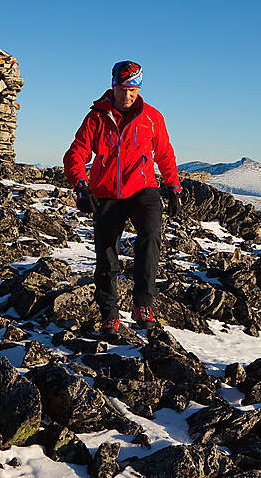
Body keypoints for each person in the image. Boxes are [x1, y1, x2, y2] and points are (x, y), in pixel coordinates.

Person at [63, 60, 182, 336]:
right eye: (121, 88)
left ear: (138, 89)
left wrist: (174, 187)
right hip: (106, 191)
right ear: (112, 86)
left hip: (143, 189)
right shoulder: (96, 117)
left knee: (151, 235)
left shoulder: (152, 117)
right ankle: (109, 314)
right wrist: (81, 185)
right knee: (106, 255)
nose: (126, 95)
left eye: (131, 89)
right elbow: (76, 153)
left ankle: (143, 304)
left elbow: (164, 154)